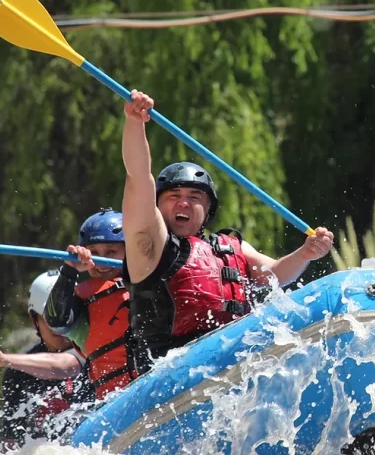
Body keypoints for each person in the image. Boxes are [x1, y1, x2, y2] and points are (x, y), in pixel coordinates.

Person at [120, 90, 336, 375]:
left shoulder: (230, 246)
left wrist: (306, 252)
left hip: (230, 364)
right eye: (173, 196)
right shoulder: (148, 243)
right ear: (157, 205)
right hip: (169, 372)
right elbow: (138, 178)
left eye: (195, 197)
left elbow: (274, 275)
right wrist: (135, 123)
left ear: (208, 210)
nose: (184, 202)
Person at [0, 270, 92, 449]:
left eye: (67, 316)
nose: (59, 326)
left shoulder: (91, 350)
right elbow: (12, 444)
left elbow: (63, 365)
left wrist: (5, 358)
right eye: (50, 318)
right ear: (34, 320)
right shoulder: (17, 374)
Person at [44, 208, 133, 401]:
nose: (101, 261)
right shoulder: (83, 304)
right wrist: (70, 270)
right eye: (94, 253)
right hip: (119, 399)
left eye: (111, 251)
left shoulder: (149, 282)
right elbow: (55, 320)